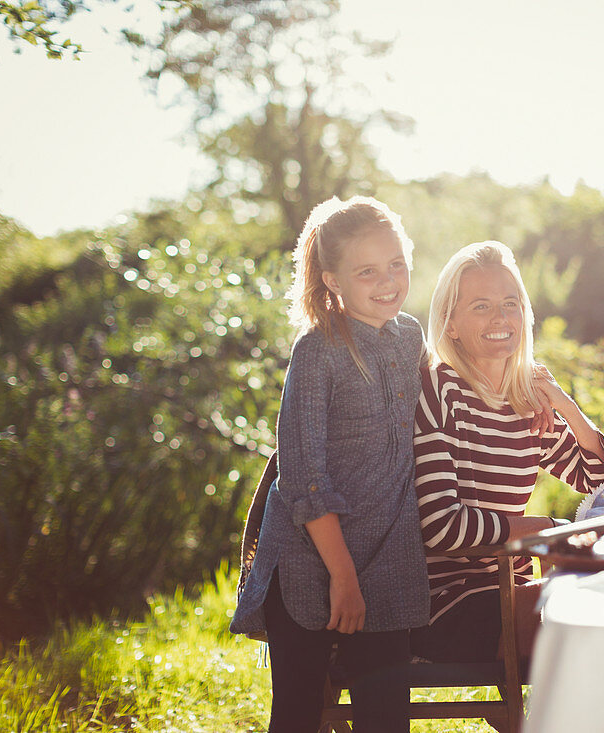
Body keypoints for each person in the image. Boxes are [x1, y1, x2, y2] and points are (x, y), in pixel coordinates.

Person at [229, 196, 430, 733]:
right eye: (367, 271)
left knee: (386, 719)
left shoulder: (411, 336)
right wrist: (342, 578)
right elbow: (304, 478)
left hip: (386, 557)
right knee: (299, 715)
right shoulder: (317, 350)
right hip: (310, 562)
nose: (387, 281)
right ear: (332, 279)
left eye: (396, 264)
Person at [410, 240, 604, 664]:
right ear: (450, 324)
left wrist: (567, 406)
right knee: (600, 625)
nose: (501, 318)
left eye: (510, 303)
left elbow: (603, 483)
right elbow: (440, 527)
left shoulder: (526, 402)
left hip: (516, 593)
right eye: (481, 307)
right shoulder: (436, 389)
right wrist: (545, 528)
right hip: (446, 605)